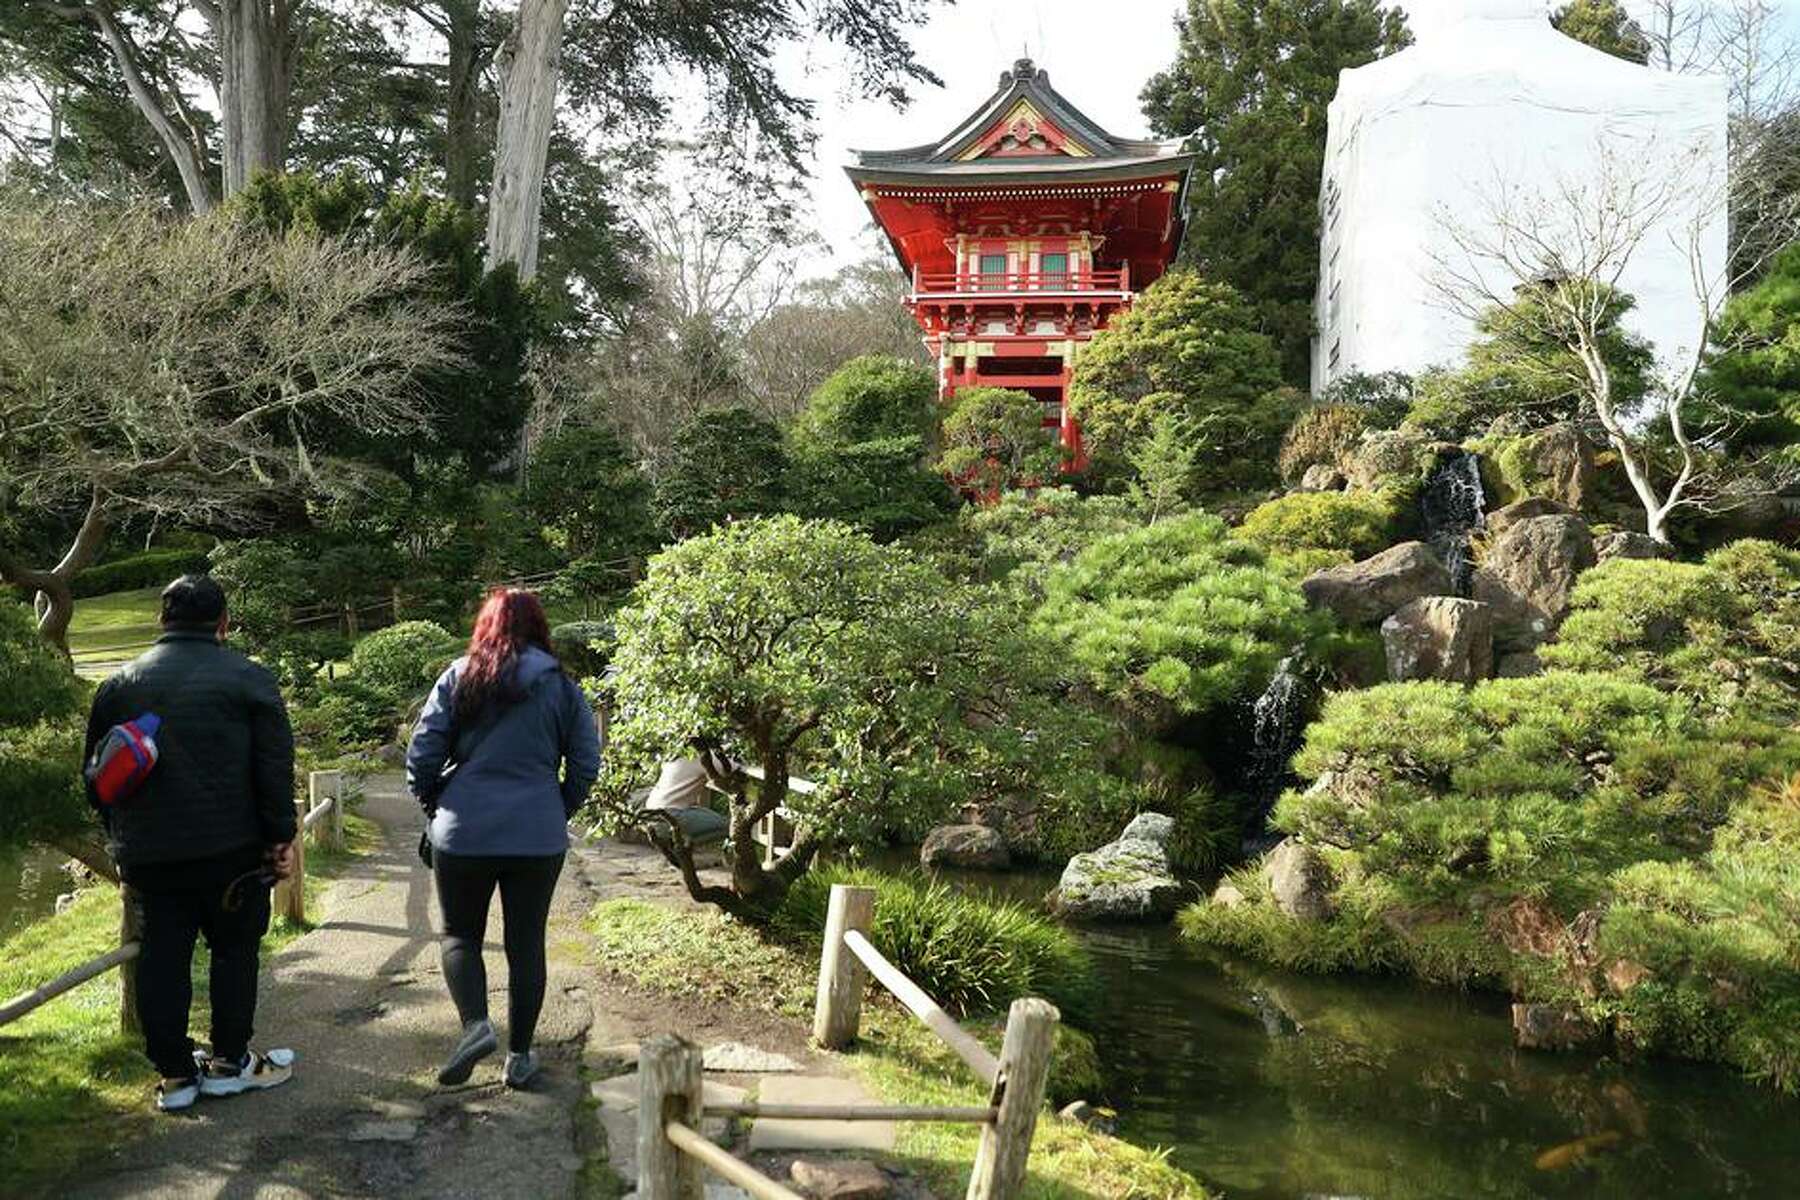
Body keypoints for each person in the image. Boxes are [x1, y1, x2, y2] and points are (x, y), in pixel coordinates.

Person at [83, 574, 297, 1113]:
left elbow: (96, 778)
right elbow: (273, 770)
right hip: (235, 855)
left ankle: (176, 1077)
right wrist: (280, 840)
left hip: (151, 857)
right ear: (223, 623)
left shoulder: (119, 686)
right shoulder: (250, 680)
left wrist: (122, 838)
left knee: (162, 960)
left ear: (161, 620)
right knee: (234, 952)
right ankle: (229, 1064)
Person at [407, 588, 601, 1089]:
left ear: (485, 626)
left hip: (463, 828)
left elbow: (422, 757)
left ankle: (475, 1025)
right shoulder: (561, 687)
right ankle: (519, 1056)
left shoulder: (460, 676)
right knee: (526, 942)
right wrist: (557, 808)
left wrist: (437, 810)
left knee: (460, 935)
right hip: (536, 833)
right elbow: (585, 762)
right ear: (540, 627)